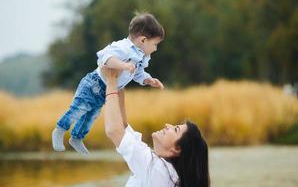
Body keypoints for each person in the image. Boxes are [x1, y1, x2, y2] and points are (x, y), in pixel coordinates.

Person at [52, 12, 165, 155]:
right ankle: (60, 130)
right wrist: (123, 66)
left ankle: (76, 138)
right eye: (155, 44)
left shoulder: (142, 57)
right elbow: (105, 58)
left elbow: (137, 73)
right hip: (94, 84)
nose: (156, 48)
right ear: (143, 40)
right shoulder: (123, 47)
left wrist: (148, 80)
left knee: (91, 115)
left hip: (106, 90)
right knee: (79, 108)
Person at [103, 67, 210, 187]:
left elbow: (114, 131)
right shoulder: (165, 171)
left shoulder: (158, 171)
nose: (167, 125)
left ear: (177, 149)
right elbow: (122, 127)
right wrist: (119, 81)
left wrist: (111, 79)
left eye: (175, 130)